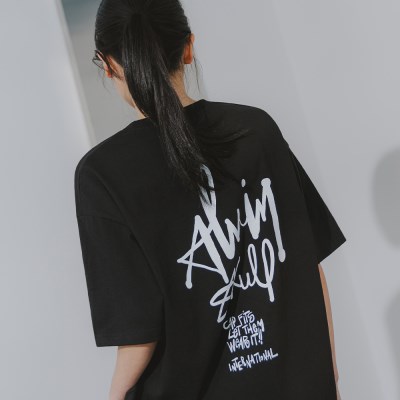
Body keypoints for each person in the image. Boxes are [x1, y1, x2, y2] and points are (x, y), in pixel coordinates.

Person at [74, 0, 347, 399]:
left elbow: (139, 335)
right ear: (188, 48)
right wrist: (328, 376)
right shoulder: (256, 131)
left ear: (109, 64)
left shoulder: (103, 174)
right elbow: (306, 267)